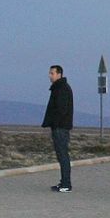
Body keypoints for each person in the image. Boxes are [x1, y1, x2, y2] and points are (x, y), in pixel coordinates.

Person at [42, 64, 74, 192]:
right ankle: (64, 182)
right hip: (59, 126)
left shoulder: (62, 89)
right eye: (50, 73)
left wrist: (55, 123)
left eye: (52, 73)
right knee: (61, 155)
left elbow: (61, 109)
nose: (50, 76)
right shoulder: (59, 88)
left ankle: (66, 184)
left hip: (61, 127)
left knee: (63, 155)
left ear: (59, 74)